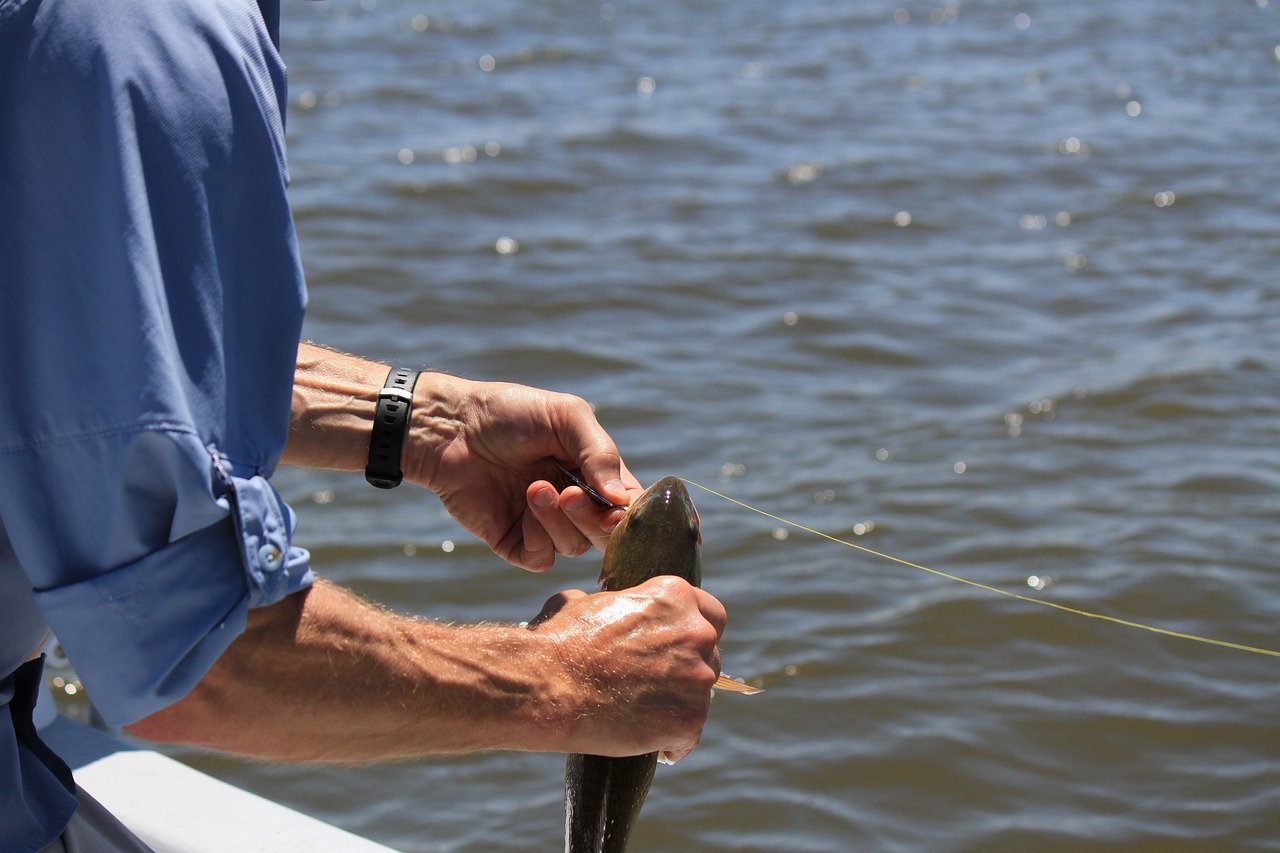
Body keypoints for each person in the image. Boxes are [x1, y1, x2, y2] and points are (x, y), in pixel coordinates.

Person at [0, 0, 727, 850]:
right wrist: (570, 679)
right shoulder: (143, 33)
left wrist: (429, 426)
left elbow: (76, 352)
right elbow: (193, 663)